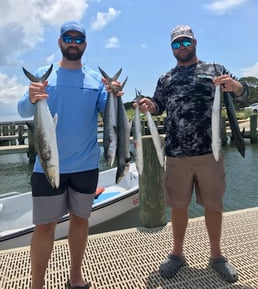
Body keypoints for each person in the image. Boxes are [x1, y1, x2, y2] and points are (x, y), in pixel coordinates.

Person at [137, 25, 249, 283]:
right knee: (178, 206)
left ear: (195, 42)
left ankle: (217, 255)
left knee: (214, 205)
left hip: (211, 151)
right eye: (176, 44)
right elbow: (158, 106)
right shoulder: (166, 78)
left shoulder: (215, 70)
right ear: (171, 48)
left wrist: (235, 86)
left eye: (185, 42)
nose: (182, 47)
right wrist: (148, 105)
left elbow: (245, 93)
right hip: (176, 154)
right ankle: (177, 254)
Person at [18, 21, 119, 289]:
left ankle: (75, 278)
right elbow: (23, 111)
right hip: (47, 166)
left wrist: (114, 93)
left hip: (85, 165)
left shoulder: (95, 80)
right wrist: (30, 96)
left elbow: (107, 109)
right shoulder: (43, 75)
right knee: (44, 227)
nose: (73, 43)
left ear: (84, 44)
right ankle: (36, 285)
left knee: (80, 220)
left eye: (78, 39)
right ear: (60, 42)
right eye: (68, 38)